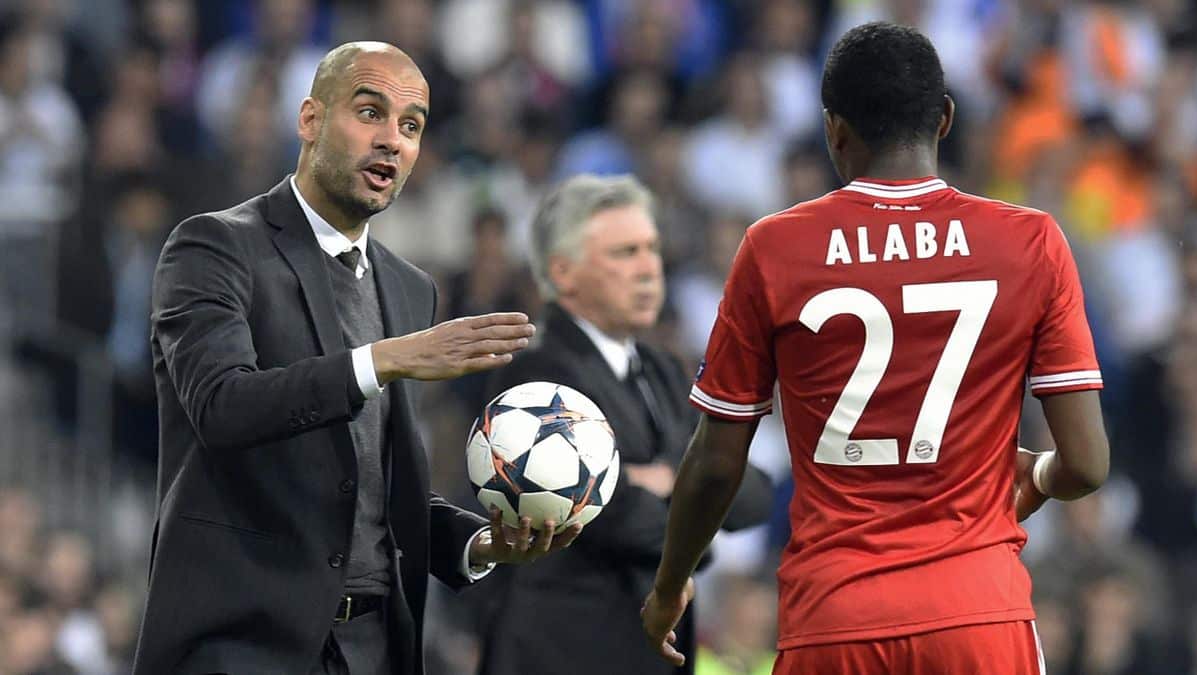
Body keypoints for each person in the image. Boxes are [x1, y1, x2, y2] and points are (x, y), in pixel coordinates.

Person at [642, 22, 1110, 675]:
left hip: (834, 621)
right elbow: (1087, 464)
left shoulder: (775, 249)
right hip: (979, 615)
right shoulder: (1030, 241)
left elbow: (717, 462)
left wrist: (668, 587)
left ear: (834, 130)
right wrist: (1034, 475)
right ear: (945, 118)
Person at [133, 42, 581, 675]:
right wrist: (381, 360)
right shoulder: (214, 246)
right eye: (370, 112)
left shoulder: (408, 288)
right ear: (310, 120)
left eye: (411, 126)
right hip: (242, 643)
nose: (392, 140)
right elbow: (222, 407)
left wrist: (479, 543)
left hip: (372, 646)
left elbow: (374, 482)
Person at [475, 174, 774, 675]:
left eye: (652, 249)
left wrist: (665, 483)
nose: (648, 269)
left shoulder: (659, 368)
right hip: (562, 652)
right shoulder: (539, 376)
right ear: (563, 272)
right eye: (624, 253)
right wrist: (693, 498)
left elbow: (749, 491)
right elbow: (606, 518)